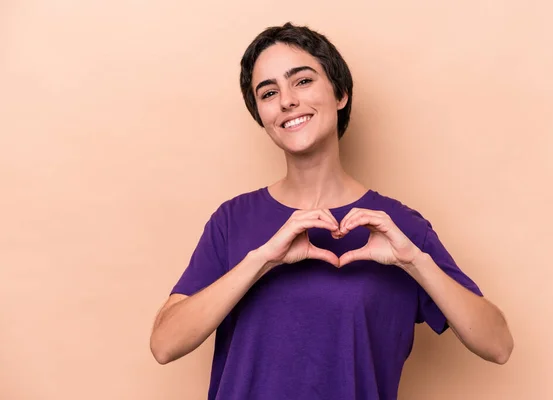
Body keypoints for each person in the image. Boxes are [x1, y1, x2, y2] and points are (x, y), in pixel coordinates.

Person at [150, 22, 514, 399]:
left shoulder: (400, 227)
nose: (287, 100)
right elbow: (164, 344)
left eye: (302, 81)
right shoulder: (231, 221)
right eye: (269, 92)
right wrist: (261, 261)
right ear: (262, 115)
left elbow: (498, 345)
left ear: (340, 93)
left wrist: (414, 262)